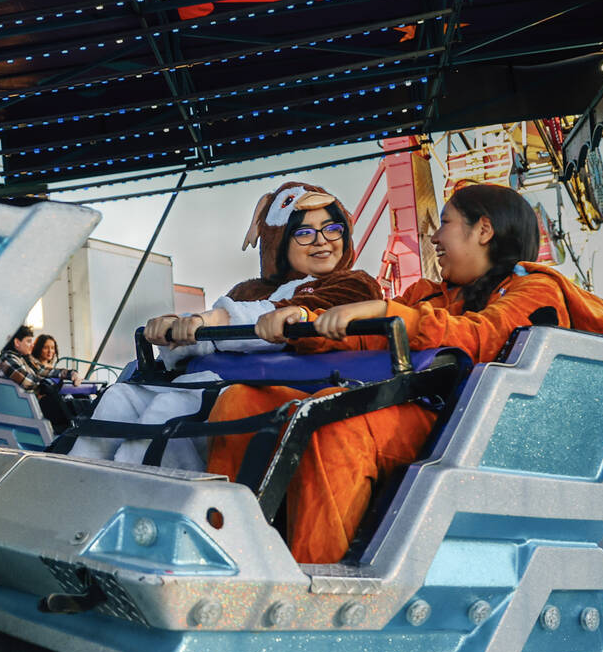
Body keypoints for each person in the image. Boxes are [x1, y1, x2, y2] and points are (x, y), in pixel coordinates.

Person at [207, 184, 603, 565]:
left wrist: (390, 313)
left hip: (475, 435)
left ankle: (315, 583)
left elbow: (480, 338)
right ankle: (223, 553)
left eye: (447, 223)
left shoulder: (536, 291)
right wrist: (305, 326)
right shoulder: (427, 294)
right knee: (241, 401)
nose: (433, 235)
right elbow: (375, 338)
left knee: (333, 423)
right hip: (420, 412)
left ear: (483, 230)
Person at [68, 183, 382, 469]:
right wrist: (178, 330)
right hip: (213, 383)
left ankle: (151, 501)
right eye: (304, 233)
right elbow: (216, 326)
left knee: (168, 408)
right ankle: (75, 484)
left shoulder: (352, 286)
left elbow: (284, 316)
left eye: (332, 229)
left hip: (278, 392)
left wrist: (212, 322)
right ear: (280, 241)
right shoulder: (249, 291)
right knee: (119, 398)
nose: (322, 241)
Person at [0, 325, 81, 431]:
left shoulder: (24, 358)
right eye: (29, 341)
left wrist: (70, 373)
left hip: (27, 403)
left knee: (73, 399)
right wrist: (47, 384)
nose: (32, 345)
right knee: (59, 404)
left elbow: (43, 370)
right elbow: (27, 381)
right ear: (17, 342)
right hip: (18, 406)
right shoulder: (7, 359)